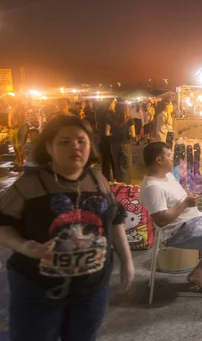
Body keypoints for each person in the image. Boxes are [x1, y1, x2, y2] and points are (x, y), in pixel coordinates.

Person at [0, 114, 135, 341]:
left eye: (81, 141)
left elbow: (115, 220)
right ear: (49, 147)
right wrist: (23, 246)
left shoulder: (97, 179)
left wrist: (127, 261)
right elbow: (3, 224)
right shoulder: (29, 185)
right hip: (38, 289)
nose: (75, 146)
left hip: (92, 288)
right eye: (65, 142)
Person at [140, 142, 202, 300]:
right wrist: (185, 204)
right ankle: (197, 273)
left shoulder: (166, 176)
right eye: (168, 155)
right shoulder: (152, 187)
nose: (171, 158)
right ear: (159, 160)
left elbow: (175, 196)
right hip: (179, 231)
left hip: (193, 221)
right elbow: (160, 221)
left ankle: (197, 273)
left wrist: (189, 195)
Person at [105, 102, 135, 184]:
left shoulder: (110, 117)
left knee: (116, 164)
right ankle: (126, 184)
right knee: (126, 165)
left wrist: (113, 134)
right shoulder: (129, 119)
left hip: (114, 144)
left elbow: (107, 133)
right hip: (126, 143)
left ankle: (118, 183)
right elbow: (133, 134)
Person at [96, 99, 116, 181]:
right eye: (113, 102)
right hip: (110, 137)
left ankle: (106, 178)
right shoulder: (111, 114)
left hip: (102, 138)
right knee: (113, 159)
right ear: (109, 103)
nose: (115, 104)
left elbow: (97, 125)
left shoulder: (99, 112)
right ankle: (115, 178)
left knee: (105, 160)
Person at [9, 103, 28, 170]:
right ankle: (18, 161)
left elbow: (21, 119)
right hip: (13, 129)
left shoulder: (19, 108)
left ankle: (21, 163)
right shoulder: (11, 110)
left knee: (19, 147)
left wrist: (19, 129)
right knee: (14, 147)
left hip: (19, 129)